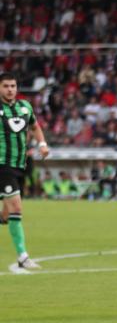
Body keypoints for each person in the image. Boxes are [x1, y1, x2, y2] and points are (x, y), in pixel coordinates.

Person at [0, 74, 49, 271]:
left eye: (12, 86)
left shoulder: (25, 107)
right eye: (5, 86)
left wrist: (43, 144)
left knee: (6, 214)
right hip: (2, 165)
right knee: (16, 208)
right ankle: (23, 256)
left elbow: (35, 127)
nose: (10, 89)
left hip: (19, 165)